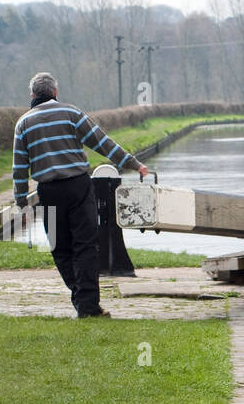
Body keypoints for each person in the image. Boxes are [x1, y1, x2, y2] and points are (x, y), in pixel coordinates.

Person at [12, 72, 149, 318]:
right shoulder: (72, 113)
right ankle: (87, 303)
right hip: (78, 187)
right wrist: (133, 163)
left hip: (49, 191)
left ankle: (82, 299)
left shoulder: (23, 124)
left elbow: (19, 168)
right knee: (85, 246)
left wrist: (21, 202)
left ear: (32, 96)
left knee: (59, 248)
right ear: (55, 92)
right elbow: (102, 143)